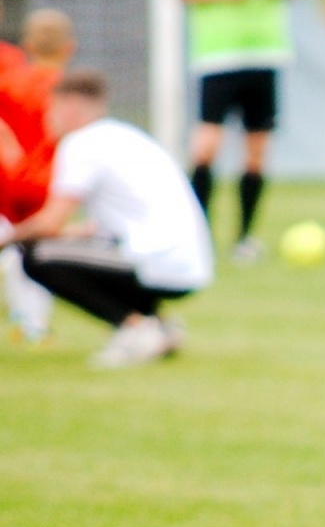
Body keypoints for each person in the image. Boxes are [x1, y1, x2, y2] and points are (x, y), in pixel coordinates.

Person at [0, 70, 212, 368]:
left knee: (37, 256)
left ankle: (135, 328)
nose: (48, 118)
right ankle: (159, 324)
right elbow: (94, 229)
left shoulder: (82, 143)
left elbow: (49, 223)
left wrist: (6, 239)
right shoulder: (123, 136)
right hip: (186, 261)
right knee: (70, 251)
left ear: (71, 105)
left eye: (52, 108)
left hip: (155, 259)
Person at [173, 0, 305, 264]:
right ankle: (198, 234)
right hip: (218, 54)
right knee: (207, 146)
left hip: (265, 51)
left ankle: (245, 237)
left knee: (256, 152)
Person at [0, 8, 74, 343]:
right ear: (69, 48)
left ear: (27, 46)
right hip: (46, 179)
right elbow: (59, 130)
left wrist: (11, 154)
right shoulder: (66, 89)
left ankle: (20, 315)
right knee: (37, 250)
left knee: (14, 243)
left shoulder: (10, 80)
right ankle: (34, 324)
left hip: (9, 177)